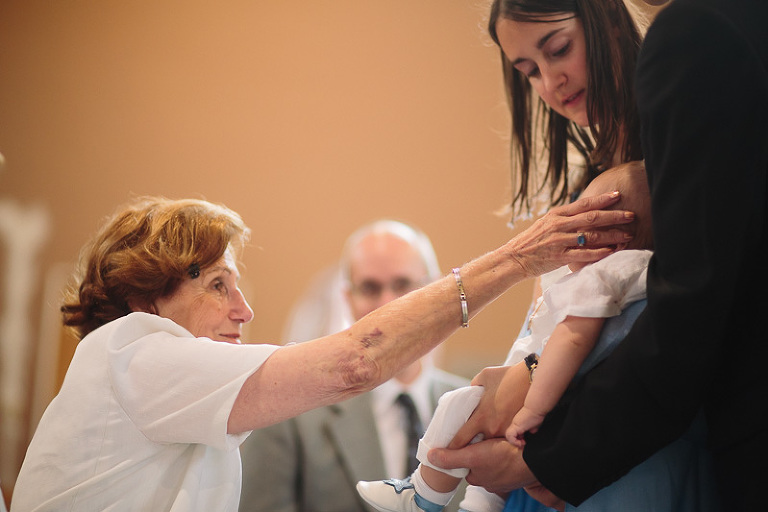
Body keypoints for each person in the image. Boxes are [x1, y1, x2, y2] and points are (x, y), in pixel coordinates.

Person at [10, 194, 632, 511]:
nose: (244, 311)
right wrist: (521, 257)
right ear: (152, 292)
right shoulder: (132, 350)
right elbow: (354, 362)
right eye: (219, 285)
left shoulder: (173, 400)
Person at [428, 0, 767, 510]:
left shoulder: (644, 178)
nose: (550, 83)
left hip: (644, 450)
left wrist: (531, 379)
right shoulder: (592, 178)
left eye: (559, 49)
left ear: (607, 19)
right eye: (529, 72)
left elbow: (662, 318)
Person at [356, 162, 692, 512]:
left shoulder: (599, 277)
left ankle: (422, 493)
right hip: (584, 415)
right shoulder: (650, 273)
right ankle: (477, 506)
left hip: (545, 396)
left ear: (610, 237)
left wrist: (532, 406)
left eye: (581, 226)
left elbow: (573, 339)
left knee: (455, 406)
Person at [239, 220, 469, 512]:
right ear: (348, 299)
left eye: (403, 285)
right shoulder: (289, 414)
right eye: (370, 288)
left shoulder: (473, 409)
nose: (388, 303)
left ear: (436, 289)